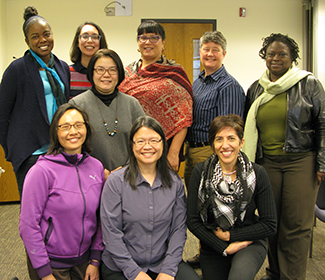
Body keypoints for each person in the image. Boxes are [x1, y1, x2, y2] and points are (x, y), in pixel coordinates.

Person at [243, 33, 325, 280]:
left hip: (301, 161)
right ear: (264, 57)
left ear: (292, 58)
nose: (275, 58)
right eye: (271, 54)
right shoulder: (256, 88)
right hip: (267, 162)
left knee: (297, 225)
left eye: (282, 54)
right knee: (272, 221)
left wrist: (322, 162)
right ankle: (275, 272)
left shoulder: (309, 84)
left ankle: (292, 276)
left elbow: (323, 123)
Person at [100, 115, 200, 280]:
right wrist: (134, 273)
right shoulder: (116, 181)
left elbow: (178, 229)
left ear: (163, 144)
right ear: (132, 146)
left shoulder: (175, 182)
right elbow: (111, 233)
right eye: (140, 141)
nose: (147, 146)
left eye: (154, 140)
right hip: (121, 265)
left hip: (161, 262)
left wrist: (168, 270)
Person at [19, 103, 105, 280]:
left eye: (78, 125)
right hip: (51, 265)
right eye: (65, 127)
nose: (73, 131)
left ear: (86, 129)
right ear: (56, 133)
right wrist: (44, 272)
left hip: (85, 262)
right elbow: (28, 226)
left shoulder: (96, 167)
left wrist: (95, 260)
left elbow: (100, 218)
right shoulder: (41, 171)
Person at [187, 114, 277, 280]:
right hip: (214, 245)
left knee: (238, 277)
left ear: (241, 142)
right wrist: (224, 247)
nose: (225, 145)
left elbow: (269, 224)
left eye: (231, 138)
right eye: (219, 139)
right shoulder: (200, 172)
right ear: (213, 144)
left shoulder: (257, 173)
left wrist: (231, 236)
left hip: (249, 241)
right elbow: (193, 221)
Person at [184, 30, 246, 268]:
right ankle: (206, 252)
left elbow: (228, 131)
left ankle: (219, 257)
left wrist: (220, 161)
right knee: (201, 209)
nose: (210, 54)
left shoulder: (228, 85)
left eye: (215, 50)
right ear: (200, 52)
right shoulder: (198, 81)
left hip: (213, 154)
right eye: (206, 49)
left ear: (224, 54)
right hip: (194, 152)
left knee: (216, 208)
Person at [0, 6, 70, 199]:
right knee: (33, 207)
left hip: (59, 148)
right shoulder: (17, 69)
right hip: (31, 152)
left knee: (58, 205)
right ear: (27, 41)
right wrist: (12, 149)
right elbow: (2, 114)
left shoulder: (62, 67)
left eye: (46, 34)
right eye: (35, 36)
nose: (43, 40)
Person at [119, 20, 193, 171]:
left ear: (163, 43)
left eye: (154, 38)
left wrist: (173, 152)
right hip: (132, 146)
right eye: (143, 38)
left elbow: (184, 118)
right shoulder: (127, 73)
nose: (148, 42)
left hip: (164, 148)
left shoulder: (174, 73)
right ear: (138, 43)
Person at [70, 49, 145, 178]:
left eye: (112, 70)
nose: (106, 75)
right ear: (91, 73)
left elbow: (144, 141)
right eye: (100, 69)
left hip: (130, 176)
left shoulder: (132, 104)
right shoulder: (76, 105)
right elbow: (71, 146)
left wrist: (126, 169)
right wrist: (97, 170)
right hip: (89, 177)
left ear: (119, 73)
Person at [69, 21, 108, 98]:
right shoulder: (67, 73)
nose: (90, 41)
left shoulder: (108, 73)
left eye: (95, 37)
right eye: (85, 37)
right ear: (77, 42)